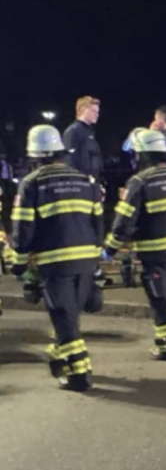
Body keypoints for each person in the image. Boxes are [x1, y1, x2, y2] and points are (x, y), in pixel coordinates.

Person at [10, 125, 104, 391]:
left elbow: (23, 228)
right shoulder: (85, 180)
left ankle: (79, 373)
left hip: (55, 263)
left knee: (63, 317)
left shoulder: (32, 183)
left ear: (35, 155)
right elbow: (98, 222)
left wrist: (19, 263)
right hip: (86, 260)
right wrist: (97, 259)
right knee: (69, 318)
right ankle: (59, 353)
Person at [104, 130, 166, 361]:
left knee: (160, 299)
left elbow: (125, 220)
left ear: (143, 155)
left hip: (155, 253)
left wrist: (110, 248)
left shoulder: (140, 182)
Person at [62, 96, 103, 182]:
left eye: (97, 112)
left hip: (90, 182)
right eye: (93, 111)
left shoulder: (89, 132)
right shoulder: (73, 131)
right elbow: (69, 161)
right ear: (83, 110)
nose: (97, 114)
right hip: (79, 183)